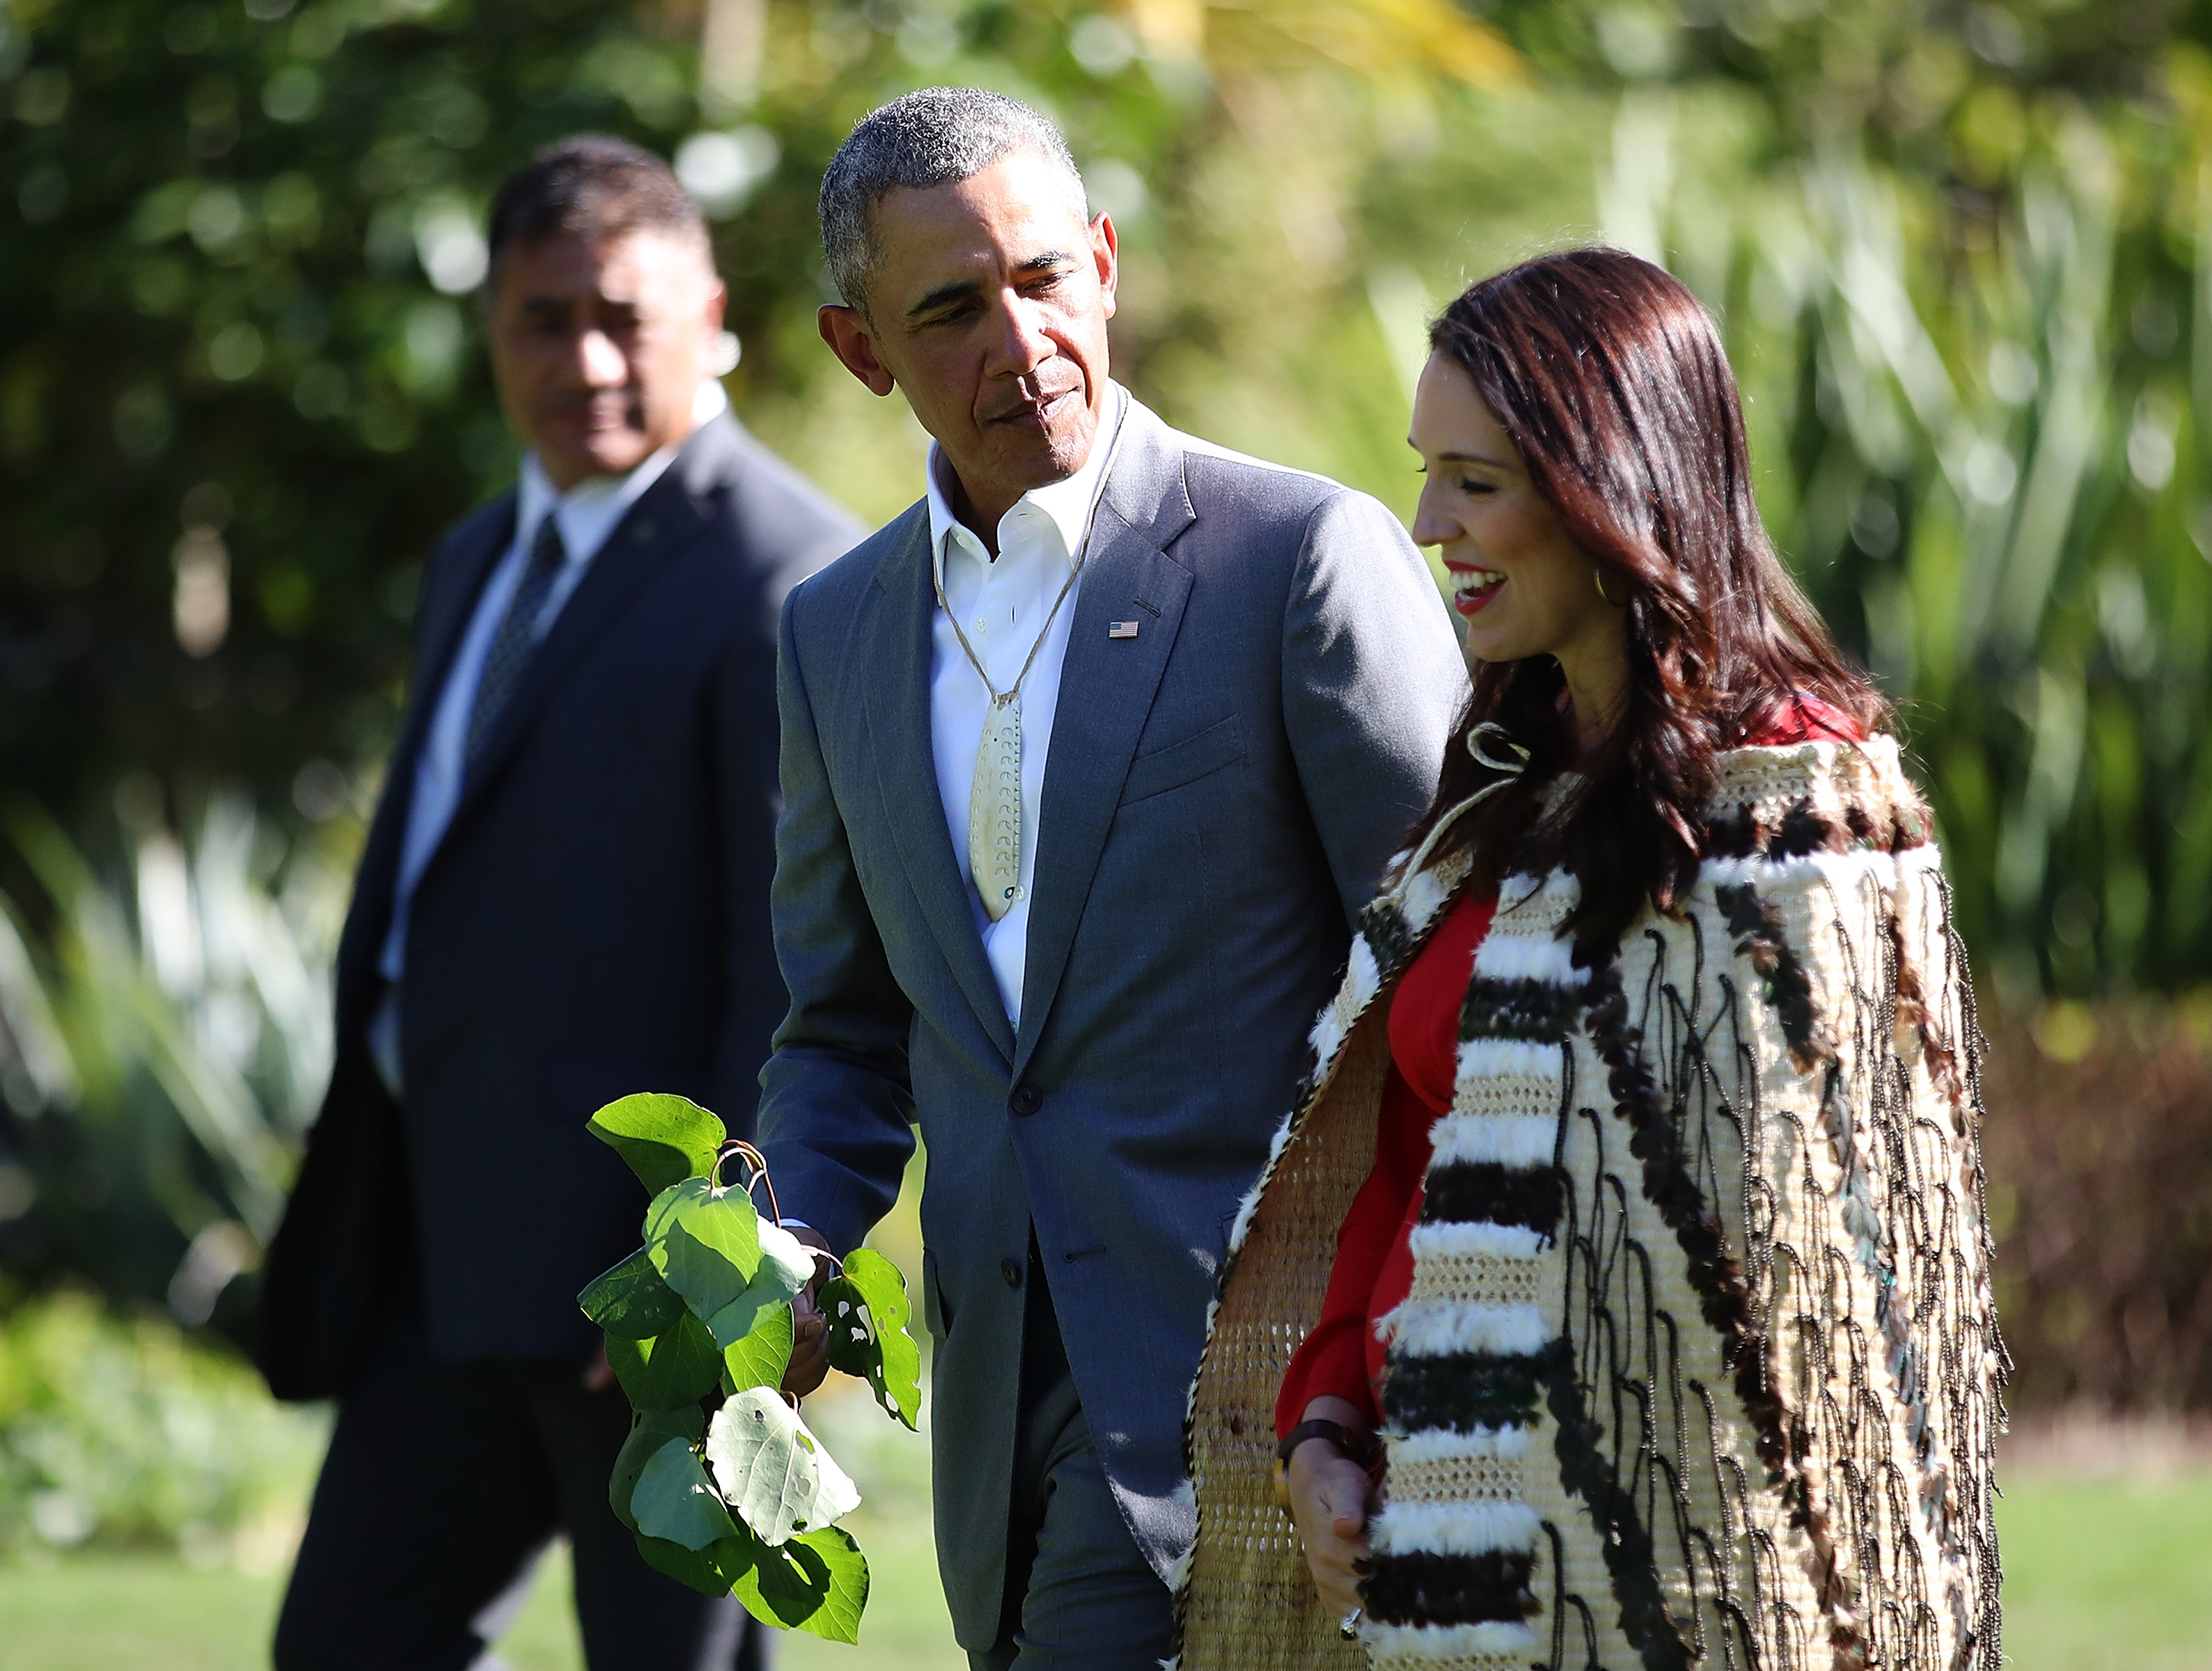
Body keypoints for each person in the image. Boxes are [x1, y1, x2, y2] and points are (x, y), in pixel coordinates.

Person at [1177, 248, 2006, 1670]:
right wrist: (1326, 1419)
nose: (1431, 522)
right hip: (1438, 1567)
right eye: (1427, 471)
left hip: (1702, 1586)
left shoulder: (1802, 819)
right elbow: (1410, 1154)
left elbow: (1800, 1291)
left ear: (1611, 490)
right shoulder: (1502, 781)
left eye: (1478, 481)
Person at [756, 88, 1469, 1671]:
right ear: (860, 349)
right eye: (950, 309)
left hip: (1290, 1401)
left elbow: (1459, 997)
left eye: (1041, 279)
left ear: (1105, 264)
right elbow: (847, 1035)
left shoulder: (1302, 560)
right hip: (1004, 1446)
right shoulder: (833, 635)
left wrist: (1402, 1367)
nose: (1020, 342)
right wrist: (788, 1244)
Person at [255, 136, 858, 1671]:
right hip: (439, 1255)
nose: (584, 359)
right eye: (543, 319)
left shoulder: (783, 575)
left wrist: (708, 1271)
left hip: (633, 1297)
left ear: (710, 315)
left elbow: (789, 969)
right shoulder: (479, 554)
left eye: (623, 318)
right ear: (492, 329)